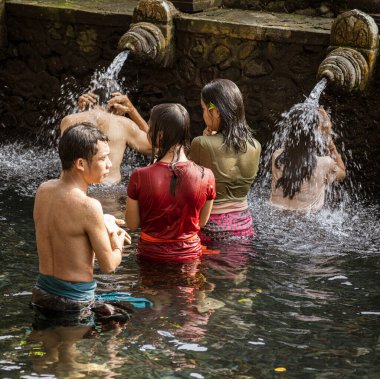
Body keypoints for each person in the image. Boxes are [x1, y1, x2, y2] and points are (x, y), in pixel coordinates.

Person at [32, 123, 130, 323]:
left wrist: (103, 219)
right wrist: (117, 244)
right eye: (103, 158)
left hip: (41, 293)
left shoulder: (43, 190)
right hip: (74, 301)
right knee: (73, 354)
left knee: (48, 349)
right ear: (80, 164)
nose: (110, 164)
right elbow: (109, 265)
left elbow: (65, 223)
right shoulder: (89, 206)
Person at [125, 103, 216, 262]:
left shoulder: (140, 175)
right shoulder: (206, 175)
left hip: (150, 257)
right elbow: (201, 222)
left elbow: (132, 224)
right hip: (189, 257)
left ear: (159, 135)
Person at [189, 79, 261, 242]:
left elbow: (186, 185)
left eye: (203, 109)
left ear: (216, 112)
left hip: (210, 229)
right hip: (244, 228)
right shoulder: (255, 145)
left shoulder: (201, 143)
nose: (203, 114)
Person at [60, 80, 151, 184]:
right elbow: (155, 147)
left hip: (72, 187)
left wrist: (82, 110)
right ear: (117, 105)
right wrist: (132, 110)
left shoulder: (68, 120)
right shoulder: (124, 124)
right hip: (108, 190)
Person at [270, 106, 346, 212]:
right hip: (307, 222)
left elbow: (294, 151)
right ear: (314, 134)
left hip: (275, 220)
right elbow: (342, 173)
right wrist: (327, 136)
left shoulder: (277, 157)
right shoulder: (324, 163)